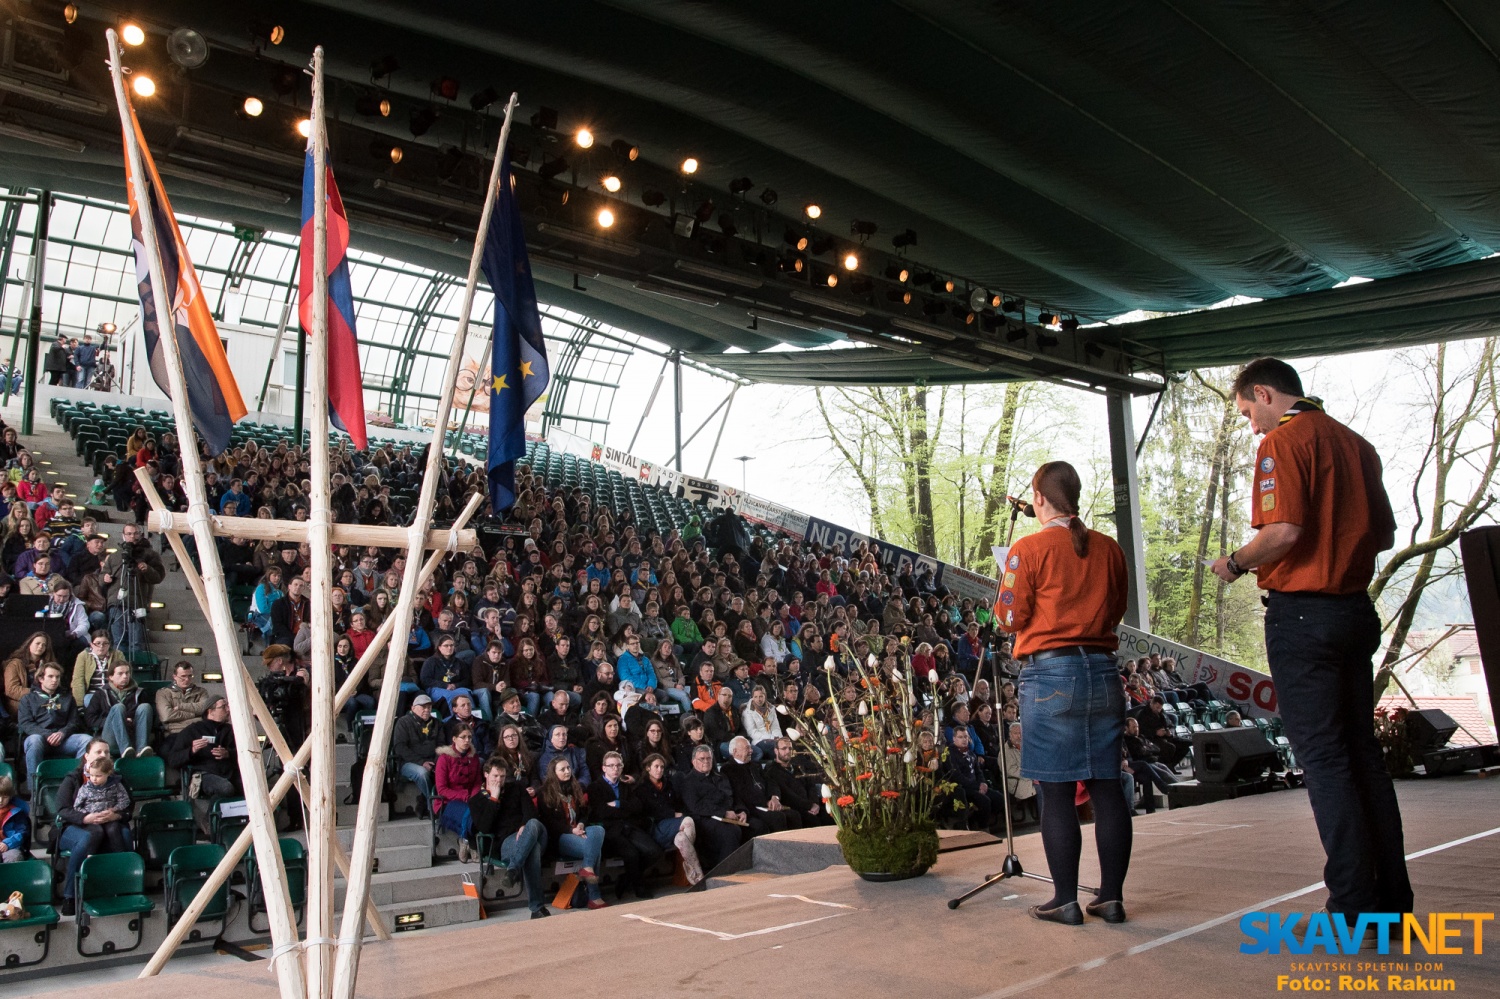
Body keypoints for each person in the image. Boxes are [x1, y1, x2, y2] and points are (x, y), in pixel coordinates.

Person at [1210, 357, 1412, 921]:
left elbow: (1284, 531)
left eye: (1250, 411)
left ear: (1265, 393)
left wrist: (1234, 562)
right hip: (1354, 609)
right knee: (1363, 757)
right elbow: (1385, 532)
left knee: (1324, 760)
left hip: (1303, 617)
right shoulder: (1357, 444)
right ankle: (1393, 904)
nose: (1253, 425)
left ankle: (1352, 906)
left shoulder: (1283, 442)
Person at [994, 460, 1130, 926]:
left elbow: (1009, 618)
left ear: (1039, 498)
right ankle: (1110, 897)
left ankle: (1066, 900)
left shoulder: (1027, 548)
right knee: (1106, 787)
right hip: (1104, 671)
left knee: (1055, 792)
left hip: (1051, 675)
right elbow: (1115, 611)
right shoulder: (1109, 549)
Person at [468, 759, 550, 918]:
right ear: (486, 774)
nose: (499, 780)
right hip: (506, 843)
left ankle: (513, 869)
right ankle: (537, 909)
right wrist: (494, 799)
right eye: (495, 776)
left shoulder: (517, 787)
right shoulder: (476, 801)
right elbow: (484, 827)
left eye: (502, 776)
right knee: (532, 850)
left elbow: (531, 813)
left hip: (532, 832)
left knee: (533, 824)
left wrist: (523, 825)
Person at [53, 739, 126, 914]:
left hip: (106, 823)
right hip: (73, 826)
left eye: (107, 752)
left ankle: (124, 886)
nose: (103, 755)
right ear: (86, 757)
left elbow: (128, 805)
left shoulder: (115, 778)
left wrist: (116, 815)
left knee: (124, 832)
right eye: (98, 752)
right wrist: (86, 818)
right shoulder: (73, 778)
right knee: (86, 838)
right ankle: (70, 896)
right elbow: (62, 809)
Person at [587, 750, 665, 899]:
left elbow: (637, 806)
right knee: (632, 854)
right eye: (611, 766)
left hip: (630, 826)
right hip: (610, 831)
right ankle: (638, 886)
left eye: (618, 765)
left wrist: (618, 803)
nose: (615, 769)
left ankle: (626, 878)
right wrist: (625, 809)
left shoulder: (626, 785)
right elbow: (601, 812)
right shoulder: (595, 787)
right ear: (604, 768)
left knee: (655, 851)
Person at [537, 755, 607, 909]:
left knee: (598, 830)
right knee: (595, 849)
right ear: (554, 773)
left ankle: (587, 868)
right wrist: (571, 830)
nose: (567, 771)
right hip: (561, 837)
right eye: (562, 769)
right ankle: (594, 896)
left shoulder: (576, 788)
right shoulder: (544, 792)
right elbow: (549, 823)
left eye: (568, 768)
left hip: (579, 831)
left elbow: (584, 812)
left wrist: (581, 824)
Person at [635, 752, 704, 884]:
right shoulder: (642, 788)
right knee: (688, 821)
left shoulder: (668, 785)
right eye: (656, 766)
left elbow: (679, 804)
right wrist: (673, 814)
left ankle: (697, 876)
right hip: (656, 827)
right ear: (648, 768)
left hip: (672, 825)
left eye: (662, 767)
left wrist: (677, 813)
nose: (660, 770)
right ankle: (689, 868)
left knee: (682, 838)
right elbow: (648, 812)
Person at [19, 663, 91, 787]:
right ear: (41, 678)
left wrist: (62, 733)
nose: (55, 680)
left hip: (63, 739)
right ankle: (34, 790)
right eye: (50, 676)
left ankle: (75, 784)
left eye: (57, 677)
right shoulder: (28, 699)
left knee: (87, 740)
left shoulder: (67, 698)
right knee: (34, 740)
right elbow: (26, 724)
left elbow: (74, 722)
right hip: (40, 739)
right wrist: (47, 734)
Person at [676, 744, 745, 870]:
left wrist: (741, 810)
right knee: (731, 832)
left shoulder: (719, 777)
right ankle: (724, 870)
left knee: (756, 826)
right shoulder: (688, 781)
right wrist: (723, 813)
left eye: (709, 758)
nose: (706, 761)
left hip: (727, 815)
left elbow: (733, 795)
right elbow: (696, 806)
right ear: (693, 761)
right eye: (702, 759)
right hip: (703, 819)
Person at [722, 736, 801, 835]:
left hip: (766, 804)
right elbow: (735, 794)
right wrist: (744, 809)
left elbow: (771, 782)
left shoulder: (755, 765)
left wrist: (774, 797)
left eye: (750, 747)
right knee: (777, 818)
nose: (751, 751)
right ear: (735, 751)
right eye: (747, 748)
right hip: (750, 808)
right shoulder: (727, 769)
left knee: (794, 815)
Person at [85, 661, 155, 759]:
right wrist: (116, 721)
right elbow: (90, 720)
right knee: (118, 708)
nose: (125, 676)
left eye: (127, 673)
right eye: (120, 673)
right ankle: (125, 751)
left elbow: (148, 718)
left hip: (134, 734)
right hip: (111, 737)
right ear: (110, 677)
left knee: (145, 707)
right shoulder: (100, 694)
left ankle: (141, 750)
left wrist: (130, 721)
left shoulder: (140, 693)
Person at [434, 725, 483, 861]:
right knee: (472, 813)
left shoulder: (474, 757)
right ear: (454, 739)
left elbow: (477, 782)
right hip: (447, 801)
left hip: (470, 799)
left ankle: (464, 841)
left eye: (469, 737)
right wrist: (464, 797)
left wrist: (473, 796)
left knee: (479, 810)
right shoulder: (444, 759)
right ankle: (472, 844)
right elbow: (442, 789)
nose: (467, 740)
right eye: (463, 737)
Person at [392, 694, 442, 817]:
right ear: (413, 708)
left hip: (433, 760)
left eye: (429, 707)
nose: (427, 710)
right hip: (409, 763)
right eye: (423, 707)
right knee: (422, 773)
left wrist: (437, 762)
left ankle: (423, 801)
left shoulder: (437, 723)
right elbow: (400, 748)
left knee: (445, 770)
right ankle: (434, 805)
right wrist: (421, 762)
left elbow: (442, 745)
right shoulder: (403, 722)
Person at [0, 775, 30, 862]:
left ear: (10, 797)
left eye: (5, 797)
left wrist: (7, 843)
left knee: (14, 857)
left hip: (11, 847)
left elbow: (22, 833)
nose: (1, 800)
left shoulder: (17, 813)